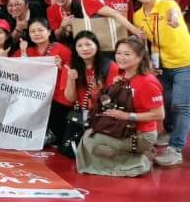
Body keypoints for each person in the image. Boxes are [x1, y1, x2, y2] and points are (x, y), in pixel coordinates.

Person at [76, 37, 165, 177]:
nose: (121, 57)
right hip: (123, 127)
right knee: (88, 134)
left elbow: (159, 114)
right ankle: (134, 158)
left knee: (91, 141)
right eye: (118, 53)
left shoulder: (147, 82)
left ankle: (135, 164)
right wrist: (113, 88)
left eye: (127, 54)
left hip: (141, 134)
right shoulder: (122, 75)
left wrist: (127, 116)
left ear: (140, 57)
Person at [132, 0, 190, 167]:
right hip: (161, 66)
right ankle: (169, 130)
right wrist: (149, 63)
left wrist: (174, 19)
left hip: (185, 62)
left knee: (181, 105)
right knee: (166, 102)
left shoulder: (168, 5)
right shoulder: (138, 15)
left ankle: (175, 148)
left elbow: (174, 15)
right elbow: (144, 43)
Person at [14, 17, 72, 146]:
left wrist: (61, 66)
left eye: (40, 30)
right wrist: (23, 52)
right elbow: (18, 70)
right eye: (32, 31)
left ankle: (51, 134)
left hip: (57, 95)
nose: (36, 34)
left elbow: (72, 71)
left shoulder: (61, 49)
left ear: (49, 32)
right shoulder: (29, 50)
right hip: (36, 95)